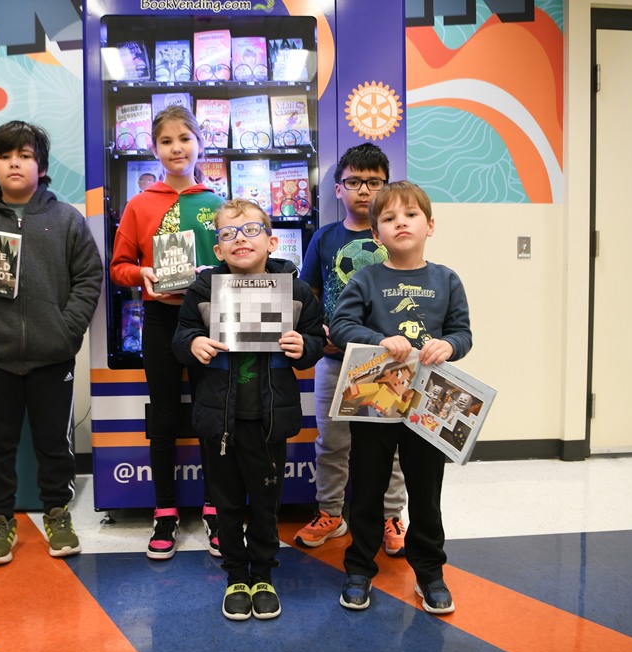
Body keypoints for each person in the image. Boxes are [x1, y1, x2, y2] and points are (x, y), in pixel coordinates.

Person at [0, 120, 102, 565]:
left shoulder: (66, 218)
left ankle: (57, 513)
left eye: (25, 155)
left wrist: (67, 330)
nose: (15, 162)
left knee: (54, 442)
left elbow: (90, 277)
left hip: (53, 355)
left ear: (40, 165)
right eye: (6, 155)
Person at [172, 199, 325, 620]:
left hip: (268, 418)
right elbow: (181, 335)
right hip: (218, 416)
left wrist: (304, 347)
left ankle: (264, 573)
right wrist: (192, 344)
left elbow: (314, 339)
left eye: (252, 230)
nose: (240, 239)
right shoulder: (204, 288)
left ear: (273, 241)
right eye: (228, 234)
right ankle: (236, 574)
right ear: (217, 250)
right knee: (226, 503)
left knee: (265, 501)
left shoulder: (293, 290)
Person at [331, 180, 472, 614]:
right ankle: (359, 568)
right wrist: (379, 339)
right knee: (368, 490)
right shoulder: (365, 277)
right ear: (376, 235)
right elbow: (340, 326)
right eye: (388, 219)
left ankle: (429, 572)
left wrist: (448, 346)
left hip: (428, 402)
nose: (400, 223)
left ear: (430, 225)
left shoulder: (447, 279)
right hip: (375, 396)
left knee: (426, 494)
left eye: (410, 215)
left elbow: (462, 333)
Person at [109, 105, 225, 560]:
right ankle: (165, 510)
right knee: (162, 416)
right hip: (159, 321)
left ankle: (216, 508)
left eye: (185, 138)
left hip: (208, 321)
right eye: (166, 141)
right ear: (154, 149)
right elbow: (117, 268)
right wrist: (144, 273)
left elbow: (239, 261)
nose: (176, 148)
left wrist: (216, 271)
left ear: (200, 143)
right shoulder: (140, 205)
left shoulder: (217, 204)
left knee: (210, 413)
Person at [294, 143, 409, 556]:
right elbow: (307, 293)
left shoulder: (395, 236)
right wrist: (316, 331)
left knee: (389, 445)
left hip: (387, 361)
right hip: (333, 358)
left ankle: (391, 516)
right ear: (338, 189)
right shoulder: (325, 238)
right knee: (332, 442)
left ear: (385, 186)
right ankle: (330, 512)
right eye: (354, 182)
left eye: (373, 182)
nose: (363, 190)